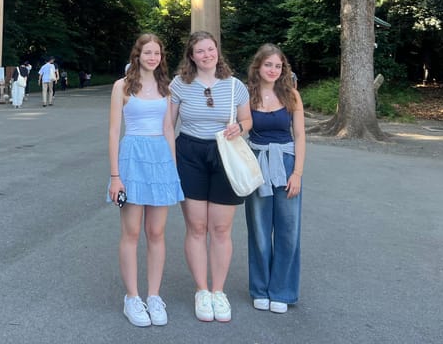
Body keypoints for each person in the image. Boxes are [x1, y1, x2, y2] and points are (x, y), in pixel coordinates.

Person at [168, 31, 251, 323]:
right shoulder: (179, 84)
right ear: (191, 57)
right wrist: (168, 160)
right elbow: (170, 124)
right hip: (189, 153)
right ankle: (201, 290)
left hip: (224, 155)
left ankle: (219, 291)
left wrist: (240, 128)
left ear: (218, 52)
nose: (207, 55)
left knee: (220, 229)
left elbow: (248, 119)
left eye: (210, 49)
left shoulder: (235, 86)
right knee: (197, 226)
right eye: (200, 51)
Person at [108, 33, 184, 327]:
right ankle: (132, 297)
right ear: (137, 55)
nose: (153, 57)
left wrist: (172, 171)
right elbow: (115, 131)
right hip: (131, 158)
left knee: (156, 232)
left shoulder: (166, 88)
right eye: (147, 52)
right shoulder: (122, 86)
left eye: (157, 53)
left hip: (160, 160)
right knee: (131, 232)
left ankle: (153, 295)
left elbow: (168, 129)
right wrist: (115, 176)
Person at [244, 44, 305, 315]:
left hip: (287, 163)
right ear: (258, 67)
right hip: (257, 164)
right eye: (268, 65)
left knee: (288, 230)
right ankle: (260, 288)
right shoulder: (246, 96)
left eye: (278, 66)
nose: (273, 70)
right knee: (259, 229)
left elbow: (300, 136)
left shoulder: (291, 95)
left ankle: (282, 290)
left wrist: (298, 173)